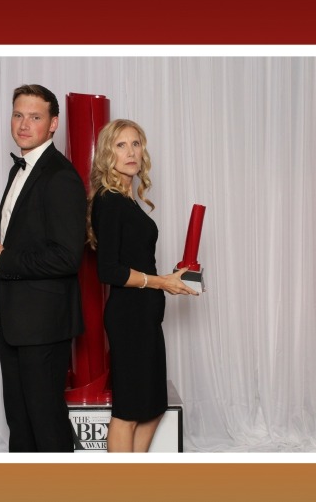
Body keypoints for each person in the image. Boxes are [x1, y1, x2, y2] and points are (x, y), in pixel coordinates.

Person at [0, 84, 87, 452]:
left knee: (46, 426)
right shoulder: (21, 169)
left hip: (44, 326)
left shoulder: (60, 176)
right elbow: (29, 241)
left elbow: (67, 257)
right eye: (18, 115)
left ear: (53, 124)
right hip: (15, 322)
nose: (23, 124)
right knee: (20, 423)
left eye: (35, 117)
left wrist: (1, 260)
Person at [87, 119, 197, 452]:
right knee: (129, 411)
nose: (131, 152)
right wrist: (162, 282)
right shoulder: (109, 201)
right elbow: (109, 271)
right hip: (129, 318)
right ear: (108, 154)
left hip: (145, 315)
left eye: (135, 144)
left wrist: (172, 278)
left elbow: (137, 261)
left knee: (152, 406)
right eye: (121, 145)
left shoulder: (127, 201)